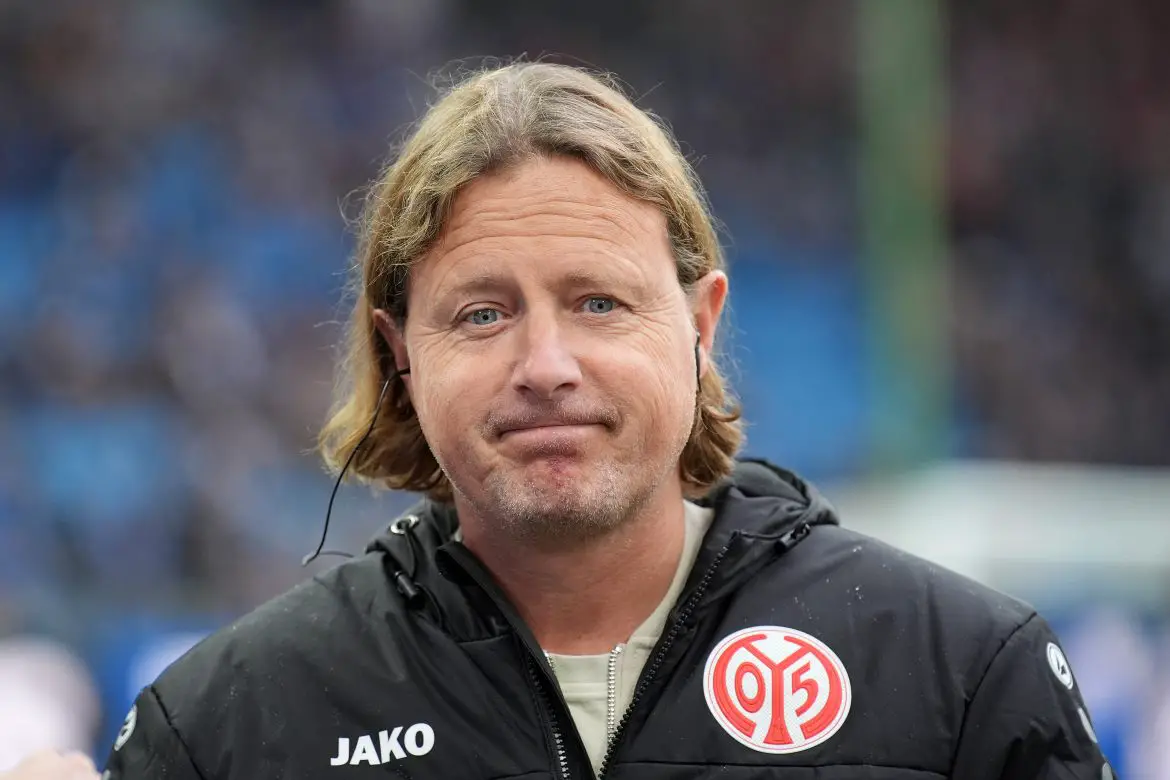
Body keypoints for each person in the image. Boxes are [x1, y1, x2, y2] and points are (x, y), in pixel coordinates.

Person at [12, 61, 1112, 779]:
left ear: (699, 322)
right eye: (482, 314)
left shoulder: (965, 676)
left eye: (597, 302)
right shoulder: (226, 729)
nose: (545, 366)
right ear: (403, 356)